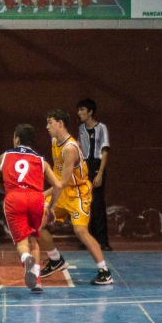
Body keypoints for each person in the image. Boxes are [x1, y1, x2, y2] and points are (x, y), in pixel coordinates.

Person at [37, 109, 112, 285]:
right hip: (61, 191)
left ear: (60, 124)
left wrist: (41, 196)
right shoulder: (54, 141)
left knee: (80, 231)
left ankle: (104, 271)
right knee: (36, 225)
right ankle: (55, 259)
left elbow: (62, 183)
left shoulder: (70, 148)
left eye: (50, 122)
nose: (47, 126)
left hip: (78, 193)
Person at [0, 124, 63, 293]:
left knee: (22, 243)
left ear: (16, 139)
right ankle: (37, 281)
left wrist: (9, 190)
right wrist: (51, 207)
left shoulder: (5, 156)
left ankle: (26, 258)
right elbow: (58, 185)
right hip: (36, 199)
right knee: (33, 240)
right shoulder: (41, 160)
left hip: (15, 199)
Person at [77, 99, 112, 251]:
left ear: (90, 112)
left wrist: (100, 173)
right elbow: (79, 149)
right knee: (86, 203)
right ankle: (88, 239)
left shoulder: (101, 128)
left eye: (82, 110)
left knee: (98, 203)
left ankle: (103, 241)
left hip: (97, 166)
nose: (79, 113)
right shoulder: (81, 129)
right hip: (85, 166)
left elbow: (105, 151)